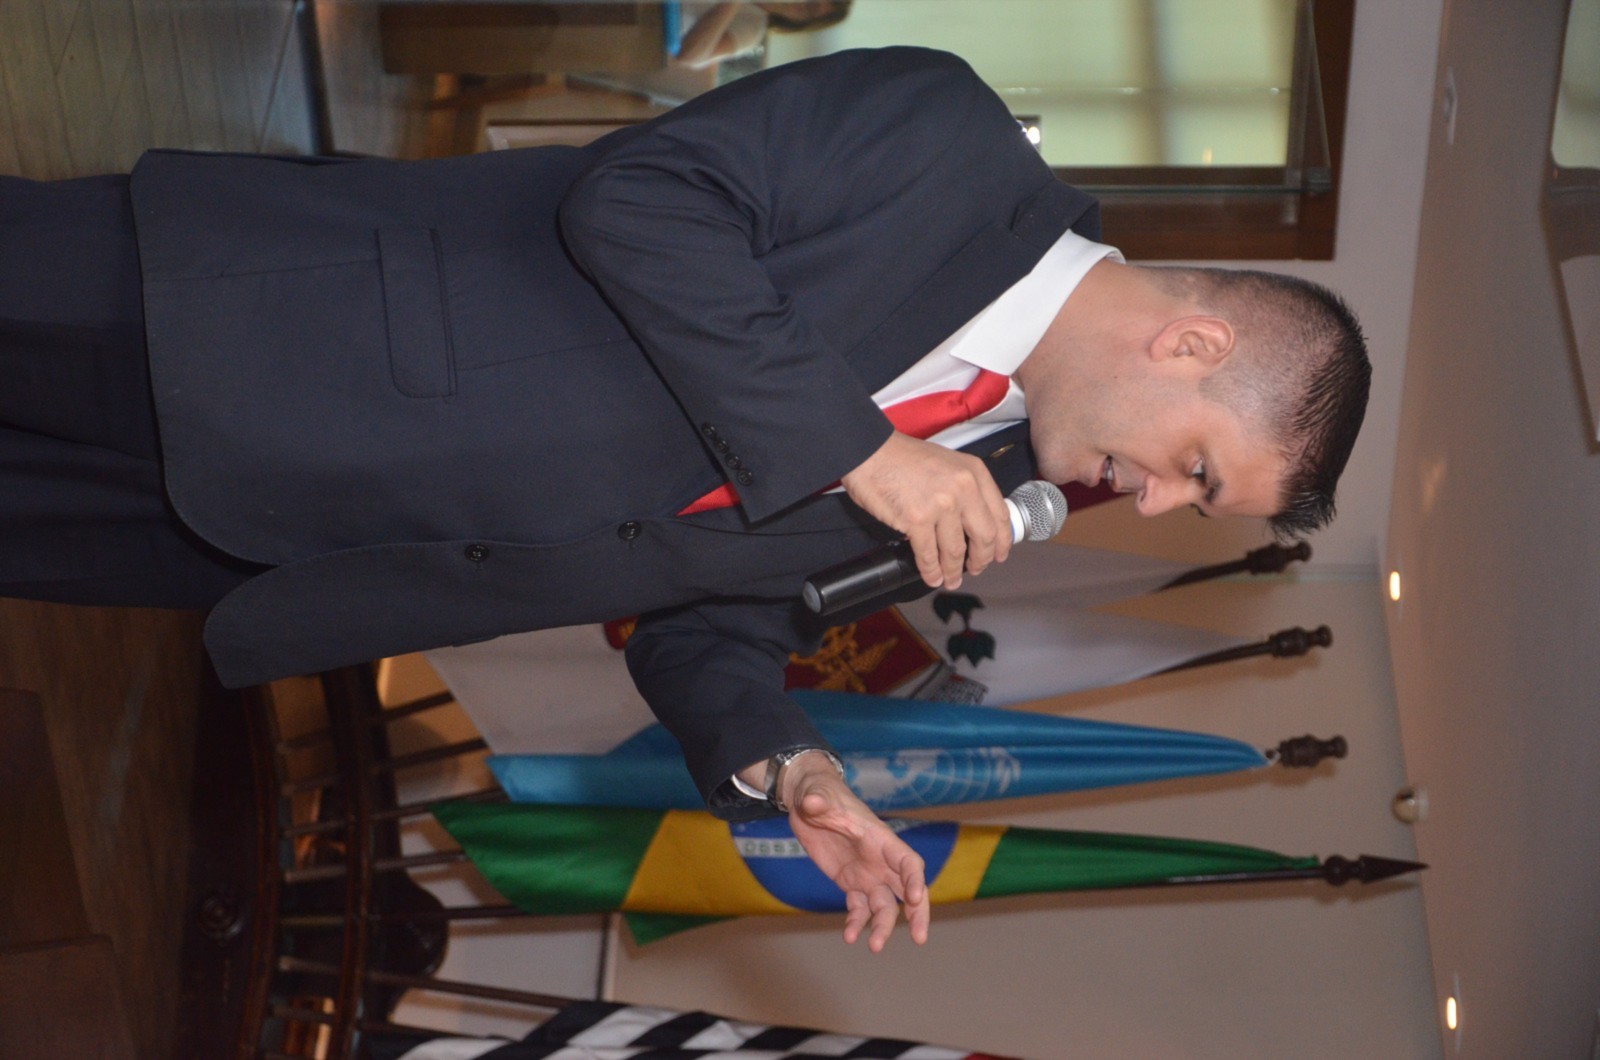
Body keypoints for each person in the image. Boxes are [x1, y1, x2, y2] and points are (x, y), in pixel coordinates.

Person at [0, 47, 1368, 952]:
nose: (1156, 504)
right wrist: (858, 447)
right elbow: (644, 201)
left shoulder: (986, 487)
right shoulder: (948, 139)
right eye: (1198, 471)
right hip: (245, 327)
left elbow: (707, 617)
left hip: (311, 552)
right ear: (1192, 345)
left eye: (1196, 510)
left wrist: (791, 766)